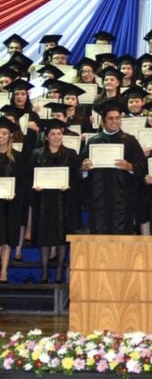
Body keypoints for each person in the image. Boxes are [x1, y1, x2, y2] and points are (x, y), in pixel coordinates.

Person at [80, 100, 147, 234]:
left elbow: (143, 167)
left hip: (122, 197)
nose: (115, 121)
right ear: (103, 121)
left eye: (117, 118)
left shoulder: (130, 141)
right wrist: (84, 169)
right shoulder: (93, 141)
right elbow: (79, 168)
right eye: (110, 118)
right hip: (98, 196)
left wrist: (130, 167)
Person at [29, 119, 80, 283]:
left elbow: (77, 178)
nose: (56, 137)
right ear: (46, 137)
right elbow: (29, 176)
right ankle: (44, 270)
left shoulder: (71, 154)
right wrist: (34, 186)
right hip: (43, 200)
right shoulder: (37, 154)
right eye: (52, 134)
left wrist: (69, 186)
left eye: (59, 133)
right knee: (44, 235)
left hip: (63, 201)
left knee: (61, 235)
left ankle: (59, 270)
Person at [0, 117, 25, 283]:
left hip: (10, 203)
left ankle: (3, 272)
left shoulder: (18, 157)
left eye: (4, 133)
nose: (1, 136)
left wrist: (14, 194)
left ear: (10, 136)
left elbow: (22, 182)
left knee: (7, 238)